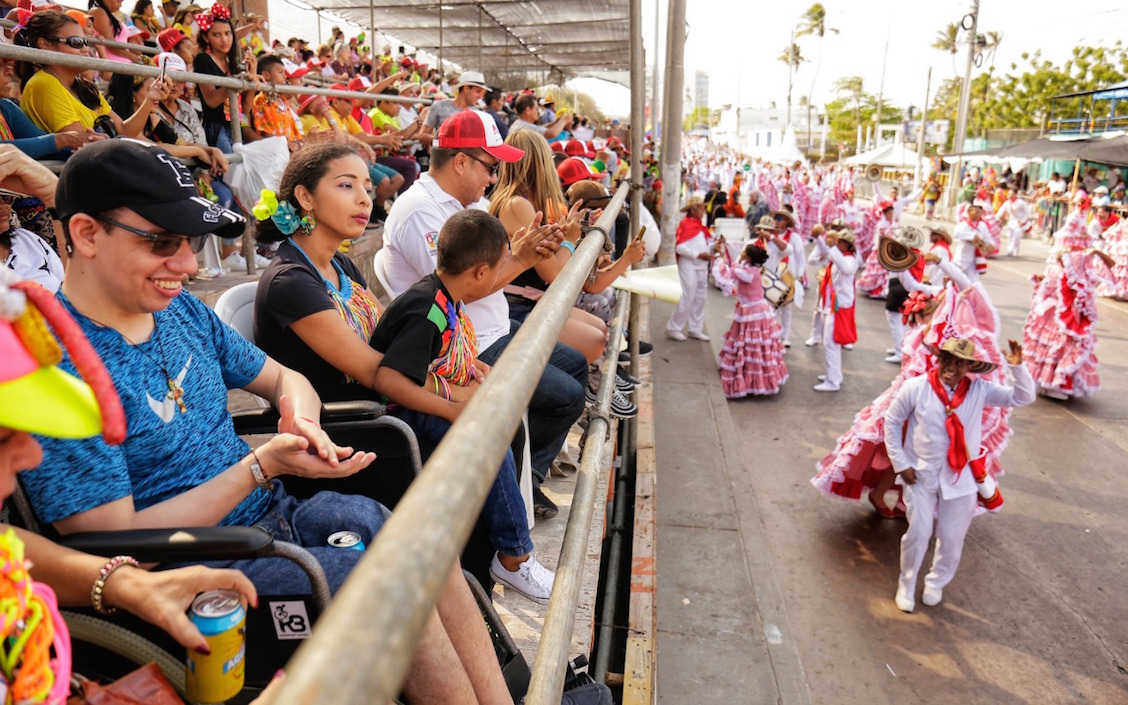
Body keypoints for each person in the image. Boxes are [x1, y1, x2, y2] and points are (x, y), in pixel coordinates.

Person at [19, 138, 515, 704]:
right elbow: (115, 548)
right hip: (196, 575)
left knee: (421, 540)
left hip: (269, 516)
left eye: (190, 243)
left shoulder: (178, 308)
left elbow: (284, 378)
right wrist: (259, 467)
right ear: (85, 234)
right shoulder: (55, 366)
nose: (185, 265)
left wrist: (299, 418)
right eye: (162, 242)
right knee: (388, 587)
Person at [0, 268, 263, 682]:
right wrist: (259, 468)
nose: (33, 452)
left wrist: (123, 584)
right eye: (2, 436)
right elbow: (106, 537)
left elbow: (5, 543)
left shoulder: (183, 310)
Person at [380, 109, 588, 519]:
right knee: (567, 396)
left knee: (576, 367)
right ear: (460, 162)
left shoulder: (459, 204)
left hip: (492, 328)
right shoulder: (421, 210)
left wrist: (526, 250)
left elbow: (481, 274)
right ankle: (514, 485)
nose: (493, 178)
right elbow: (458, 289)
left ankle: (527, 476)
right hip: (462, 346)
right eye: (490, 167)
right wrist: (523, 257)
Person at [886, 338, 1034, 612]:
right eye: (946, 359)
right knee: (918, 532)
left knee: (952, 538)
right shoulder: (916, 387)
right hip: (920, 474)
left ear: (970, 366)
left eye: (958, 362)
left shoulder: (980, 390)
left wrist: (1018, 368)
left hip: (961, 478)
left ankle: (936, 582)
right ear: (938, 359)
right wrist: (900, 462)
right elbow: (892, 422)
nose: (950, 367)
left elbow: (1022, 397)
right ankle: (906, 584)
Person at [16, 11, 169, 140]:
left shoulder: (85, 86)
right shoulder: (43, 84)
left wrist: (151, 98)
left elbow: (124, 130)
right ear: (45, 45)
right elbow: (84, 143)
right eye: (76, 42)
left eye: (85, 42)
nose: (85, 49)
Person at [711, 242, 788, 398]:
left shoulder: (748, 273)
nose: (741, 252)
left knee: (750, 345)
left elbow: (727, 271)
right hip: (754, 310)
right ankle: (753, 380)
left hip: (753, 312)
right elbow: (734, 266)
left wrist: (718, 255)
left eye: (744, 251)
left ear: (748, 256)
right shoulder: (750, 268)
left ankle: (750, 382)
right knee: (755, 347)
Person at [811, 227, 858, 392]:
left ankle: (833, 381)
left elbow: (845, 268)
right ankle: (835, 375)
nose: (838, 244)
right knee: (831, 344)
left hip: (839, 306)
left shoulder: (851, 259)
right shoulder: (839, 255)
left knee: (830, 344)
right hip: (830, 303)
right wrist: (819, 239)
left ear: (848, 245)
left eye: (841, 242)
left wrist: (832, 247)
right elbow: (827, 251)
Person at [665, 195, 712, 342]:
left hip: (701, 266)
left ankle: (695, 328)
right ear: (692, 209)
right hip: (690, 265)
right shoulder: (686, 224)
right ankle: (674, 327)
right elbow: (680, 247)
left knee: (700, 298)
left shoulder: (699, 226)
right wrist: (698, 254)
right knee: (687, 296)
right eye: (700, 208)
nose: (703, 211)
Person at [951, 203, 992, 284]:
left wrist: (989, 245)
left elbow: (988, 239)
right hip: (961, 258)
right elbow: (956, 234)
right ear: (969, 212)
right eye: (976, 212)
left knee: (972, 283)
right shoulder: (963, 224)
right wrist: (972, 236)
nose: (978, 214)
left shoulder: (982, 225)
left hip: (974, 260)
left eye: (980, 212)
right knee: (957, 282)